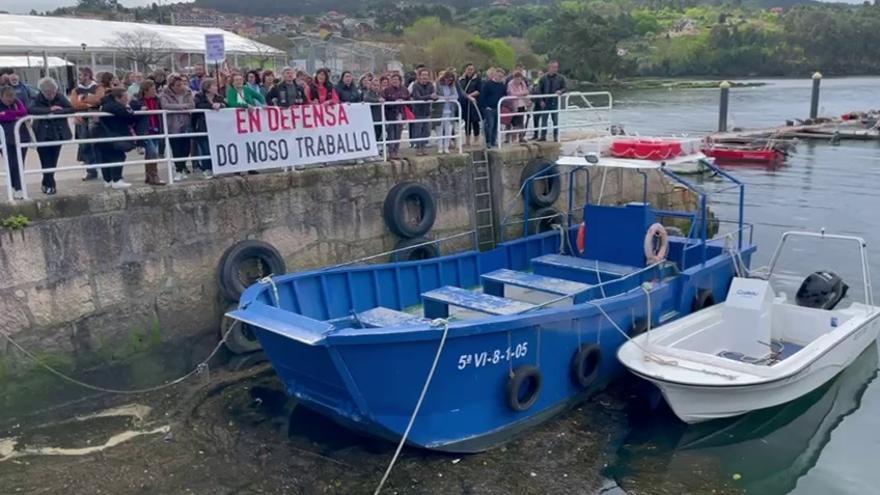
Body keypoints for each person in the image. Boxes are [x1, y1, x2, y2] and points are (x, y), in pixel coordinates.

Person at [29, 77, 73, 195]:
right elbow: (31, 109)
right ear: (42, 92)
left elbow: (71, 109)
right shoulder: (37, 98)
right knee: (45, 160)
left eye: (53, 92)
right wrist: (49, 110)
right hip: (42, 134)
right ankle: (50, 185)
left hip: (57, 133)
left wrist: (57, 112)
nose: (51, 95)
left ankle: (46, 183)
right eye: (48, 93)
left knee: (53, 160)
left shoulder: (60, 97)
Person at [95, 88, 137, 190]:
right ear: (118, 98)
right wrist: (128, 108)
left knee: (106, 158)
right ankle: (116, 180)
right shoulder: (113, 106)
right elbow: (129, 115)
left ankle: (108, 180)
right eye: (125, 97)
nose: (127, 99)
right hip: (112, 135)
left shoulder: (105, 104)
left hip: (102, 135)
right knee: (118, 156)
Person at [70, 67, 104, 181]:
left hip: (94, 119)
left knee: (97, 144)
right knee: (84, 145)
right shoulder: (76, 90)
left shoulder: (98, 87)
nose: (79, 77)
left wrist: (83, 100)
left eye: (81, 75)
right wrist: (88, 103)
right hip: (81, 119)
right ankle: (91, 170)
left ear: (87, 75)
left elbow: (98, 100)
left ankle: (103, 168)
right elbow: (74, 104)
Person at [129, 80, 166, 186]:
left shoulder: (157, 100)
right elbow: (131, 108)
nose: (155, 91)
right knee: (153, 152)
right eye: (152, 89)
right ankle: (154, 176)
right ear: (145, 90)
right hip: (145, 130)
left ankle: (149, 176)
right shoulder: (137, 100)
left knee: (151, 153)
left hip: (156, 128)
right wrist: (140, 109)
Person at [160, 73, 195, 181]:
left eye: (182, 84)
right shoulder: (164, 94)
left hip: (186, 123)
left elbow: (192, 105)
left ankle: (182, 166)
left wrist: (183, 107)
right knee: (176, 148)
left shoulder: (187, 92)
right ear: (172, 86)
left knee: (186, 148)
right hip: (173, 125)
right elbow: (165, 105)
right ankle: (178, 170)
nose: (181, 87)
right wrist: (182, 107)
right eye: (178, 85)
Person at [193, 78, 226, 179]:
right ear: (207, 88)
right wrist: (211, 106)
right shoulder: (199, 97)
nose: (216, 87)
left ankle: (216, 168)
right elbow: (198, 106)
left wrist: (221, 105)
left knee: (215, 148)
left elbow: (226, 105)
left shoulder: (219, 97)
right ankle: (207, 169)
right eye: (214, 86)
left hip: (217, 127)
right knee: (205, 149)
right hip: (202, 126)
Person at [0, 86, 29, 199]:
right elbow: (2, 117)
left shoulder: (17, 102)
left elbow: (24, 113)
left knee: (20, 163)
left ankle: (19, 187)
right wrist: (14, 115)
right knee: (11, 164)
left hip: (21, 137)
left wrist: (9, 114)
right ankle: (14, 185)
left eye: (12, 96)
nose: (10, 99)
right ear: (1, 96)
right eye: (7, 96)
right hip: (5, 139)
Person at [536, 61, 566, 141]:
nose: (555, 69)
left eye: (556, 67)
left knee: (555, 120)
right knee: (544, 120)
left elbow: (565, 88)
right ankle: (543, 136)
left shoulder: (560, 78)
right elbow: (539, 90)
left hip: (555, 102)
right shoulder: (543, 78)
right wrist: (541, 101)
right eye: (554, 67)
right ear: (549, 67)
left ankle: (555, 136)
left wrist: (561, 91)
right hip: (545, 102)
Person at [382, 73, 409, 159]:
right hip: (390, 114)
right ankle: (391, 152)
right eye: (393, 80)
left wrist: (403, 101)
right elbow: (384, 103)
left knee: (398, 134)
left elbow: (408, 101)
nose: (395, 81)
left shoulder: (404, 90)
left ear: (400, 81)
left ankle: (396, 151)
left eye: (396, 80)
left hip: (401, 114)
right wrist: (394, 103)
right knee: (391, 134)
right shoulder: (387, 90)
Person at [410, 68, 436, 156]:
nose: (425, 77)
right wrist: (429, 96)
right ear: (419, 76)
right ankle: (418, 148)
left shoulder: (430, 85)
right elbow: (417, 97)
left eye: (426, 75)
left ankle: (424, 146)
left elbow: (434, 96)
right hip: (418, 112)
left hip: (427, 112)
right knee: (418, 131)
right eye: (423, 75)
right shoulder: (415, 85)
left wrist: (433, 97)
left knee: (427, 131)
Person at [479, 68, 507, 149]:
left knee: (496, 125)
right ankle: (488, 141)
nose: (500, 78)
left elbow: (504, 95)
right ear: (495, 75)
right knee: (490, 124)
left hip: (497, 107)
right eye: (499, 76)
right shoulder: (488, 84)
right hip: (489, 108)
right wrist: (486, 106)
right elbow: (483, 96)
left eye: (501, 76)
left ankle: (493, 141)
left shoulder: (502, 86)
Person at [435, 70, 460, 155]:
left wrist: (450, 98)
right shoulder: (437, 84)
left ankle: (446, 147)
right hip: (439, 110)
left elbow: (456, 96)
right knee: (439, 129)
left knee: (448, 130)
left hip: (450, 111)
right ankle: (440, 147)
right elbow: (435, 96)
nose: (449, 81)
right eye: (448, 79)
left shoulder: (452, 86)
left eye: (451, 80)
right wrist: (443, 98)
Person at [506, 70, 531, 144]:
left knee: (521, 122)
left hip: (522, 105)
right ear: (514, 78)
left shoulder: (522, 83)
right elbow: (512, 93)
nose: (518, 80)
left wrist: (520, 94)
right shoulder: (510, 84)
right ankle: (512, 138)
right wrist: (521, 93)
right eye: (517, 78)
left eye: (520, 78)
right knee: (514, 123)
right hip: (513, 106)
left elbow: (527, 91)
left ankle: (521, 137)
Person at [459, 63, 481, 146]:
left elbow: (479, 90)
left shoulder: (477, 79)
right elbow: (460, 89)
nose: (470, 71)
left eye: (471, 69)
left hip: (474, 102)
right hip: (465, 103)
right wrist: (466, 96)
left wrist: (469, 96)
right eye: (468, 69)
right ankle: (467, 140)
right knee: (467, 121)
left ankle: (476, 139)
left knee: (475, 121)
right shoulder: (462, 79)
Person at [362, 76, 385, 144]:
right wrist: (378, 100)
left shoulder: (381, 93)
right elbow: (366, 99)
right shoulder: (368, 93)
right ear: (371, 86)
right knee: (374, 135)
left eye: (377, 85)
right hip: (372, 118)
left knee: (379, 134)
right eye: (374, 85)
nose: (376, 87)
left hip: (380, 118)